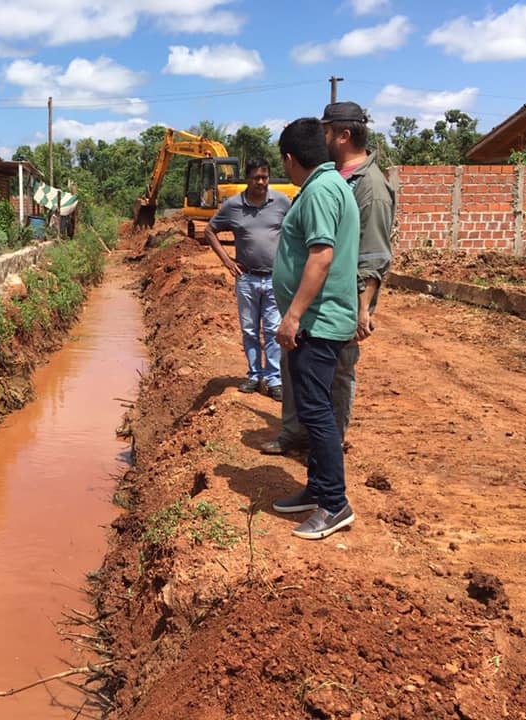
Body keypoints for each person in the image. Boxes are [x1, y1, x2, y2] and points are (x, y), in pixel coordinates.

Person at [262, 101, 395, 455]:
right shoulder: (330, 179)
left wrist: (362, 308)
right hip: (310, 305)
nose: (321, 138)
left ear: (344, 134)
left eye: (326, 131)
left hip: (337, 306)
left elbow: (374, 256)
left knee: (334, 380)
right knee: (298, 372)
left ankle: (326, 453)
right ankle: (297, 434)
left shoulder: (370, 188)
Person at [271, 117, 359, 540]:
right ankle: (316, 488)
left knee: (317, 414)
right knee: (313, 408)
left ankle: (334, 504)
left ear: (290, 159)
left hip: (318, 323)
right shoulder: (330, 185)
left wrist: (293, 316)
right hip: (321, 320)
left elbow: (321, 256)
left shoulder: (320, 191)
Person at [204, 158, 292, 400]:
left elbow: (296, 229)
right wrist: (227, 261)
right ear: (247, 179)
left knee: (273, 330)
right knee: (250, 329)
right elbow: (210, 231)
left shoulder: (282, 202)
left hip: (275, 277)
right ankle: (254, 375)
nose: (261, 182)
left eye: (264, 177)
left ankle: (273, 379)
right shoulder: (233, 206)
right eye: (256, 178)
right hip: (246, 279)